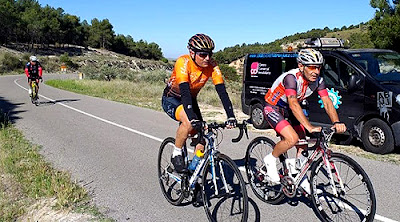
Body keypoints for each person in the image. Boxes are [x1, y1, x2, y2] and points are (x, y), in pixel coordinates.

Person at [262, 48, 347, 184]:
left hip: (290, 110)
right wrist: (309, 127)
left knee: (303, 144)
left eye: (319, 67)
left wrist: (336, 122)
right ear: (301, 66)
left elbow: (327, 102)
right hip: (274, 108)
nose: (316, 72)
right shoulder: (291, 78)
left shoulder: (318, 81)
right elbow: (293, 103)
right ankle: (270, 159)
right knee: (292, 139)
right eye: (312, 67)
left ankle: (299, 176)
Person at [162, 33, 237, 173]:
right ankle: (176, 153)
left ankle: (193, 172)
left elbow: (222, 93)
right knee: (189, 122)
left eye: (210, 54)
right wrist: (192, 118)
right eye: (203, 55)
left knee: (202, 138)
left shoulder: (212, 65)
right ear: (192, 52)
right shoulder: (183, 62)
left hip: (190, 100)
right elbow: (184, 91)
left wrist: (231, 116)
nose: (207, 58)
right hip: (172, 98)